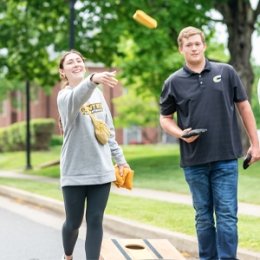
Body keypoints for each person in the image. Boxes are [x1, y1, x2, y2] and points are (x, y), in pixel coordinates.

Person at [159, 26, 260, 260]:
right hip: (194, 161)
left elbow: (244, 107)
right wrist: (181, 133)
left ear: (204, 46)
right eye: (188, 45)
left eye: (197, 43)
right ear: (181, 49)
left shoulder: (226, 72)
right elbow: (165, 119)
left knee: (226, 215)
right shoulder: (173, 82)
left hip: (225, 157)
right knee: (203, 216)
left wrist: (256, 144)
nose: (194, 48)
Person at [57, 49, 130, 260]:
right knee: (73, 222)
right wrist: (93, 79)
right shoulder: (64, 97)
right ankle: (68, 256)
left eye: (79, 60)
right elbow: (78, 96)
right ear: (63, 72)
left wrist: (121, 160)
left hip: (101, 169)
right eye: (70, 62)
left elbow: (109, 131)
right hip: (74, 171)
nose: (76, 64)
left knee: (96, 219)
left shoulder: (97, 93)